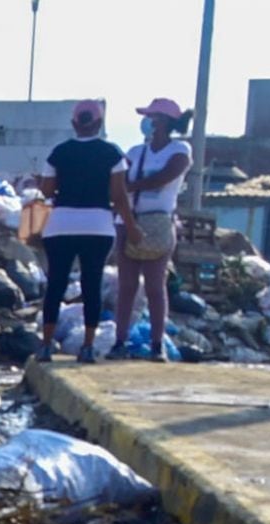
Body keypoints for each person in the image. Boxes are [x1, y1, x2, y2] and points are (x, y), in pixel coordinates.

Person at [36, 99, 137, 363]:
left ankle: (46, 346)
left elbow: (45, 192)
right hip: (98, 226)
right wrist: (132, 227)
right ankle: (88, 348)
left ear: (73, 124)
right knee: (91, 284)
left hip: (60, 225)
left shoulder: (58, 153)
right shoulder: (112, 154)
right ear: (100, 123)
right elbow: (119, 196)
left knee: (56, 284)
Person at [111, 97, 194, 361]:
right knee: (126, 286)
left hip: (157, 222)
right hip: (128, 221)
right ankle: (120, 340)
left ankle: (157, 344)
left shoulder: (179, 150)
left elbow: (164, 177)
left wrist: (131, 187)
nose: (147, 121)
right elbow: (117, 180)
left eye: (152, 117)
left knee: (155, 287)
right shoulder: (136, 151)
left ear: (165, 121)